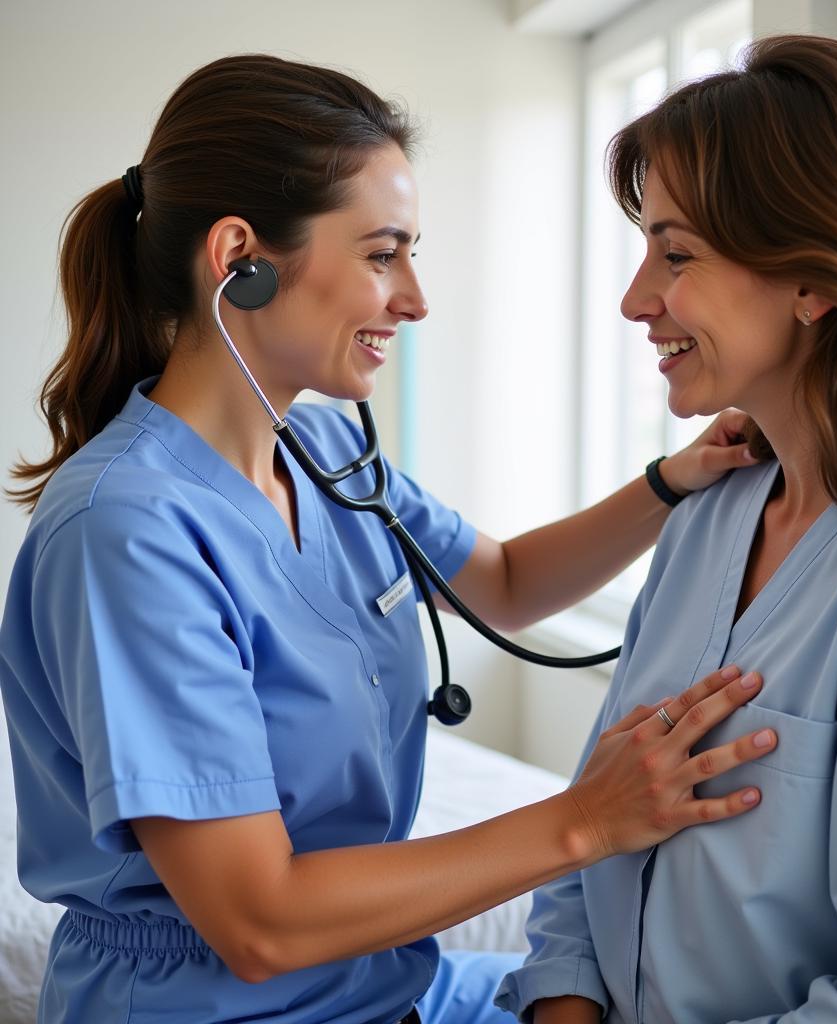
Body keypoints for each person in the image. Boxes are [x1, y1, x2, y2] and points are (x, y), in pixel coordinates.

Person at [0, 54, 777, 1024]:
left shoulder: (320, 446)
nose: (414, 298)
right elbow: (258, 923)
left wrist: (671, 480)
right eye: (382, 253)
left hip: (373, 983)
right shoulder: (128, 530)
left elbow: (501, 583)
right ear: (240, 257)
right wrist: (583, 820)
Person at [496, 33, 837, 1024]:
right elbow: (589, 832)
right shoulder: (713, 508)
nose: (633, 299)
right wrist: (562, 1005)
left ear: (817, 275)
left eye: (676, 252)